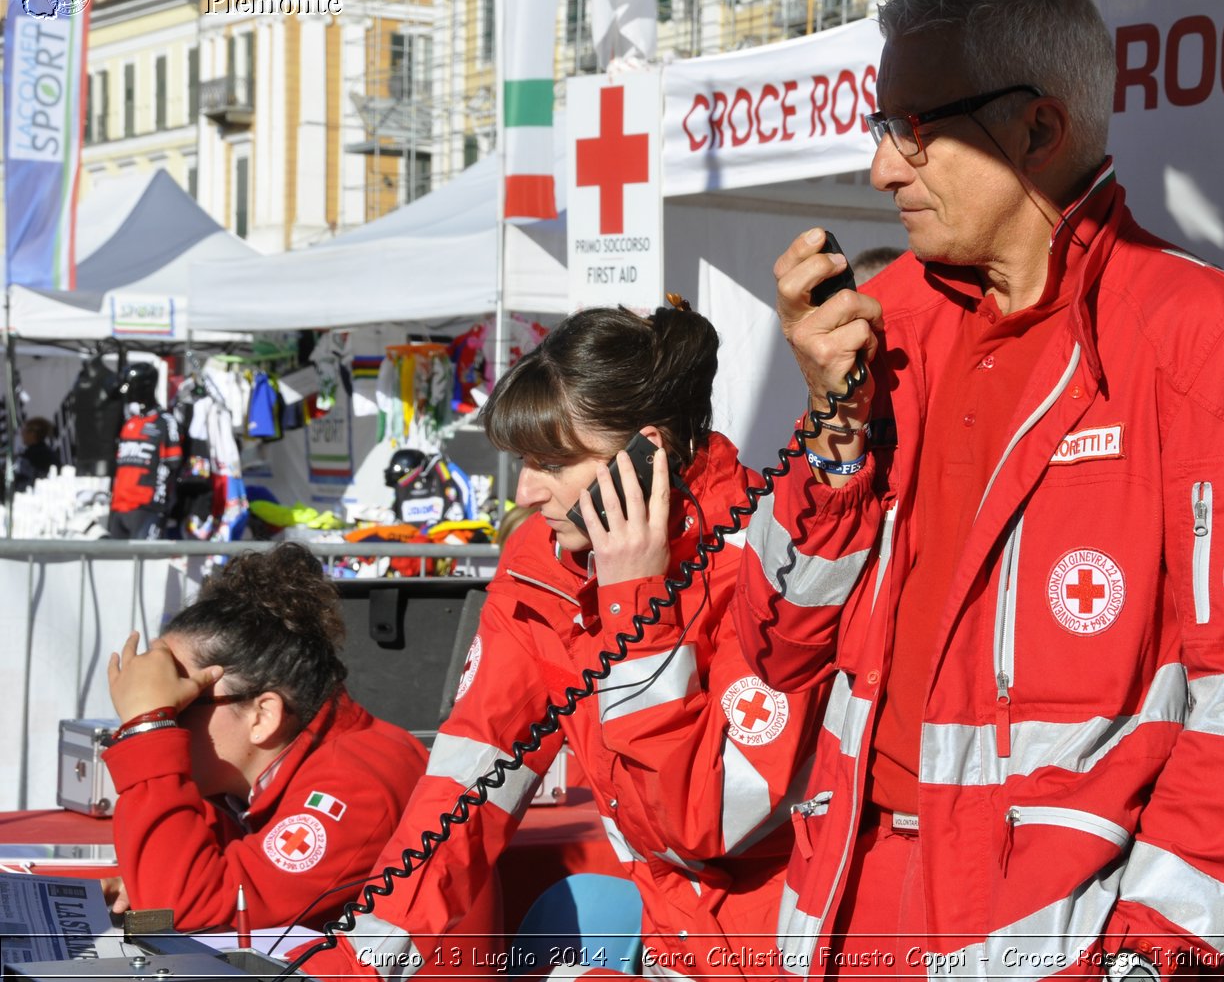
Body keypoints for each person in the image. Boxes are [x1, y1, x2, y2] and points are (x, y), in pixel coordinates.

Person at [735, 0, 1224, 981]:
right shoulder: (886, 326)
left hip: (1050, 943)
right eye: (883, 129)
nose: (884, 167)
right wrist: (832, 433)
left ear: (1039, 127)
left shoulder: (1208, 339)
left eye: (917, 130)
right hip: (836, 906)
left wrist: (1150, 953)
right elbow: (779, 632)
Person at [307, 301, 826, 980]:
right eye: (524, 459)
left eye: (551, 460)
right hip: (678, 950)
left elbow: (702, 821)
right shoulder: (541, 560)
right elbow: (468, 785)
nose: (525, 490)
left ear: (648, 454)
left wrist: (632, 597)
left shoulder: (767, 560)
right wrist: (359, 963)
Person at [102, 543, 429, 931]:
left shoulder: (357, 789)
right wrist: (149, 882)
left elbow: (192, 910)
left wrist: (147, 727)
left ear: (263, 715)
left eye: (181, 702)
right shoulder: (247, 784)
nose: (167, 719)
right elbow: (196, 891)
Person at [107, 361, 181, 539]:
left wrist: (160, 505)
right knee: (112, 564)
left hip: (147, 507)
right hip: (119, 506)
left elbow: (174, 464)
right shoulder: (130, 422)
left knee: (144, 564)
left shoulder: (165, 421)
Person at [14, 416, 61, 492]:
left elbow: (28, 480)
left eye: (24, 431)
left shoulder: (33, 455)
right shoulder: (48, 452)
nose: (22, 434)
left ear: (33, 434)